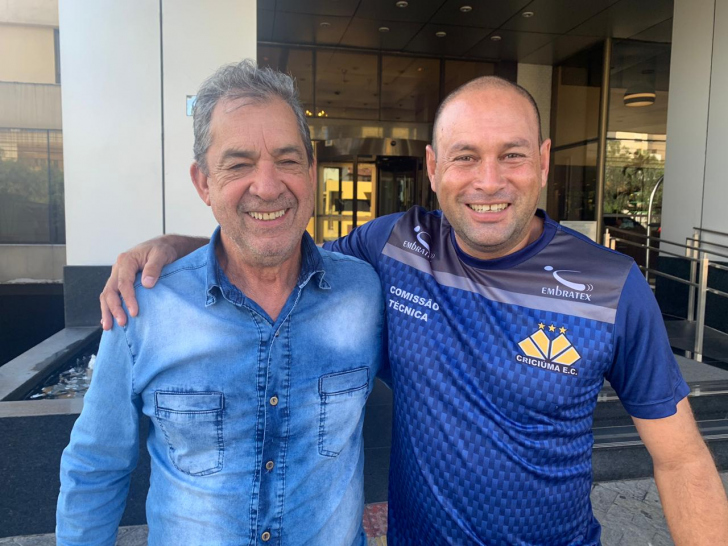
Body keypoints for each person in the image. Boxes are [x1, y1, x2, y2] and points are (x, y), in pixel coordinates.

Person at [100, 75, 728, 545]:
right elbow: (273, 247)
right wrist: (178, 249)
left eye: (511, 154)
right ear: (432, 168)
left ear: (541, 162)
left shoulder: (609, 284)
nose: (488, 181)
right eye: (464, 156)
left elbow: (682, 460)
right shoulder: (395, 245)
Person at [57, 60, 385, 546]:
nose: (269, 185)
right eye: (239, 164)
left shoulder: (363, 293)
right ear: (203, 182)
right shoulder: (144, 308)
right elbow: (95, 469)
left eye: (289, 160)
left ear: (312, 173)